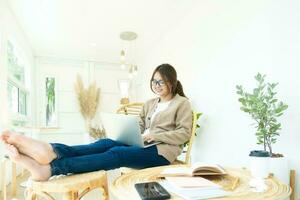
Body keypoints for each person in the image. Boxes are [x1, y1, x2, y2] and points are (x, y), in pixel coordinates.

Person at [0, 63, 192, 181]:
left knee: (117, 153)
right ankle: (52, 151)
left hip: (161, 153)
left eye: (161, 82)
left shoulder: (182, 103)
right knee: (106, 143)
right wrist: (130, 131)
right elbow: (140, 125)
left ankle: (53, 168)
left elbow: (183, 134)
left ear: (172, 82)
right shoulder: (150, 103)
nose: (157, 86)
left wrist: (154, 135)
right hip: (142, 144)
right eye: (154, 81)